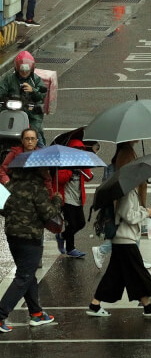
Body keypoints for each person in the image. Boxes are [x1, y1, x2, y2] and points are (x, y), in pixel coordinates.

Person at [85, 187, 151, 317]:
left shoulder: (130, 192)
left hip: (123, 240)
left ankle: (95, 304)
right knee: (139, 273)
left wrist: (147, 211)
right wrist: (146, 213)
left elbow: (132, 211)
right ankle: (148, 307)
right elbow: (128, 215)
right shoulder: (127, 193)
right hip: (125, 239)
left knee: (113, 275)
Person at [0, 166, 62, 333]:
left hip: (13, 236)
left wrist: (17, 214)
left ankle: (36, 313)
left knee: (28, 275)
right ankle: (1, 315)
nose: (48, 173)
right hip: (30, 238)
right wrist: (57, 200)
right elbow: (48, 214)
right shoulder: (37, 188)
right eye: (46, 170)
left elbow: (2, 208)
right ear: (39, 171)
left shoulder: (10, 185)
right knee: (23, 277)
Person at [91, 141, 151, 270]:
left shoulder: (128, 150)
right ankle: (102, 250)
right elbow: (125, 175)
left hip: (130, 196)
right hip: (127, 197)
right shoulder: (126, 152)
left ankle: (137, 257)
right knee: (125, 233)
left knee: (132, 231)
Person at [0, 52, 48, 147]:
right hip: (9, 110)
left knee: (37, 136)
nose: (24, 73)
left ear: (31, 69)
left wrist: (33, 90)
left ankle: (43, 155)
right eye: (22, 71)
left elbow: (43, 94)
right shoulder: (9, 79)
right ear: (17, 69)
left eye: (27, 71)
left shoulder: (35, 80)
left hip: (31, 114)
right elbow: (1, 89)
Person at [56, 138, 93, 258]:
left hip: (78, 199)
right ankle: (70, 248)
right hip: (67, 199)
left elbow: (88, 177)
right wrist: (71, 171)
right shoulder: (64, 163)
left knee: (81, 223)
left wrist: (83, 167)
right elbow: (60, 179)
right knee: (70, 224)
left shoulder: (81, 163)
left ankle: (62, 236)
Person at [0, 128, 52, 193]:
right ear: (22, 140)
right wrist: (7, 182)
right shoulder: (14, 153)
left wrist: (49, 194)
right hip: (17, 191)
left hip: (36, 191)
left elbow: (47, 178)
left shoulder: (41, 156)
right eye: (27, 139)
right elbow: (2, 170)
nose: (30, 142)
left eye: (32, 139)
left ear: (37, 140)